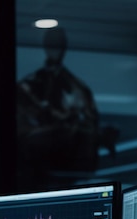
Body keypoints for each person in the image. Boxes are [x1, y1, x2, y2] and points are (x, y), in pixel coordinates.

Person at [17, 27, 118, 190]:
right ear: (45, 46)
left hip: (69, 169)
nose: (55, 49)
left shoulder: (78, 88)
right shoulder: (28, 86)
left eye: (58, 45)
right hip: (39, 169)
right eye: (51, 44)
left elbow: (90, 123)